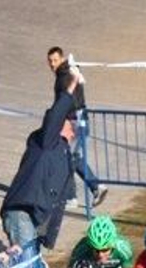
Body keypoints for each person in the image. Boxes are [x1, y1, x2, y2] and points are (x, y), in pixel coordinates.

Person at [0, 68, 82, 251]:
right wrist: (70, 88)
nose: (73, 130)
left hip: (36, 219)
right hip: (22, 212)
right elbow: (55, 115)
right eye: (69, 124)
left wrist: (48, 236)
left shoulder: (64, 154)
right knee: (26, 263)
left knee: (32, 263)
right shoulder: (48, 141)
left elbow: (58, 201)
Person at [47, 46, 103, 206]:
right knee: (70, 157)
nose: (52, 64)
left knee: (71, 157)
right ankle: (76, 193)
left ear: (62, 59)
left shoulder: (65, 76)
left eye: (55, 60)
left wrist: (59, 117)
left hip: (75, 121)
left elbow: (68, 101)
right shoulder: (67, 73)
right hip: (75, 119)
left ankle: (86, 190)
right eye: (50, 61)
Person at [68, 214, 135, 268]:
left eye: (105, 250)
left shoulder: (123, 248)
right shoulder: (82, 249)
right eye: (96, 250)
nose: (100, 255)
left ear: (113, 245)